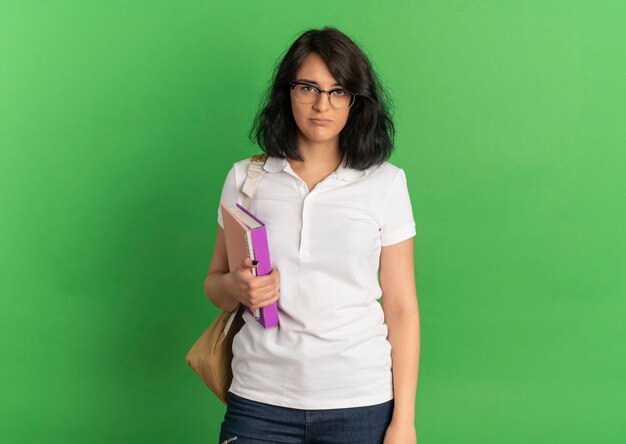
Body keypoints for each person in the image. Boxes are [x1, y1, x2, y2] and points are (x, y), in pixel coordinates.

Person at [205, 27, 419, 444]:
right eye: (309, 87)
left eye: (339, 91)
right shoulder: (245, 179)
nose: (323, 104)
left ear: (357, 102)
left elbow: (401, 307)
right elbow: (215, 284)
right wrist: (236, 286)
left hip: (361, 403)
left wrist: (404, 421)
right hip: (259, 402)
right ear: (287, 91)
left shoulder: (386, 183)